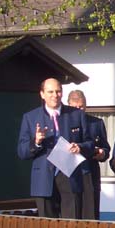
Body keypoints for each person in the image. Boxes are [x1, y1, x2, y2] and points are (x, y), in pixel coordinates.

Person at [17, 78, 93, 219]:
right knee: (47, 227)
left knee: (71, 225)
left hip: (70, 177)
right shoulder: (30, 117)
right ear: (42, 94)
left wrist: (80, 147)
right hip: (43, 180)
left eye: (58, 91)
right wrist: (36, 142)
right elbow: (22, 151)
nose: (55, 95)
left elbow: (90, 143)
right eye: (50, 92)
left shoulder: (76, 114)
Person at [67, 90, 111, 220]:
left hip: (91, 175)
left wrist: (102, 153)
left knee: (91, 217)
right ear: (68, 105)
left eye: (81, 107)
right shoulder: (64, 123)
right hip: (69, 176)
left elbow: (106, 148)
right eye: (75, 107)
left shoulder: (96, 123)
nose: (79, 110)